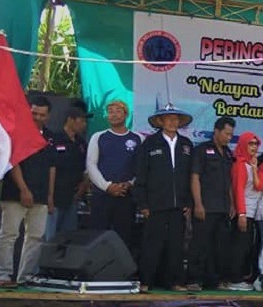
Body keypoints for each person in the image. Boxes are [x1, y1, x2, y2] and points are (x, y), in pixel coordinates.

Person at [0, 96, 56, 288]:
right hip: (15, 193)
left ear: (48, 116)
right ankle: (1, 276)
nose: (37, 117)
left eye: (42, 115)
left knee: (35, 237)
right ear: (28, 111)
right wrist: (23, 189)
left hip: (41, 195)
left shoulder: (50, 137)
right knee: (9, 234)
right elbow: (13, 162)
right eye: (34, 113)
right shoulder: (15, 133)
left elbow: (52, 167)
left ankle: (26, 277)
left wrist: (50, 196)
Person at [133, 103, 194, 293]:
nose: (172, 122)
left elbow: (190, 175)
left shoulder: (186, 145)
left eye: (175, 119)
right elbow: (141, 175)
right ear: (160, 121)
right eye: (168, 119)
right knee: (152, 243)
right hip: (155, 204)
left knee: (176, 245)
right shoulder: (149, 144)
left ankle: (174, 281)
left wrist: (189, 202)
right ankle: (146, 281)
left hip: (179, 205)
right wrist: (142, 203)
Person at [187, 116, 236, 291]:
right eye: (227, 134)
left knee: (219, 246)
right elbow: (195, 177)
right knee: (200, 244)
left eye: (231, 135)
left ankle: (213, 280)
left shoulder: (229, 153)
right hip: (206, 206)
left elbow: (229, 181)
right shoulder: (201, 150)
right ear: (216, 131)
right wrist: (198, 203)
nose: (229, 138)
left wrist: (232, 204)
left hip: (223, 207)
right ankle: (194, 279)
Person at [86, 100, 141, 252]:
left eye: (118, 111)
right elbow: (91, 165)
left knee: (124, 236)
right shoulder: (98, 137)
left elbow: (141, 168)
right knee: (97, 235)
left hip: (126, 196)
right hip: (102, 196)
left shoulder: (138, 138)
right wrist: (107, 186)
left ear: (126, 114)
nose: (114, 114)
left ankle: (122, 273)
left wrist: (130, 183)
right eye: (110, 111)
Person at [46, 107, 91, 241]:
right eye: (81, 120)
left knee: (68, 237)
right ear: (70, 120)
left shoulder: (81, 143)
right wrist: (50, 196)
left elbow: (87, 167)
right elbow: (50, 167)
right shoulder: (55, 139)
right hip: (56, 196)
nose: (84, 124)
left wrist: (84, 185)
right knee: (50, 237)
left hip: (73, 196)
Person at [228, 131, 261, 291]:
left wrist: (255, 168)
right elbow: (238, 190)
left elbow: (258, 186)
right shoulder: (240, 165)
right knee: (239, 247)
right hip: (244, 212)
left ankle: (239, 277)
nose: (254, 147)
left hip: (251, 212)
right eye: (250, 143)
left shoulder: (250, 165)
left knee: (246, 246)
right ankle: (234, 279)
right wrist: (241, 213)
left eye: (256, 144)